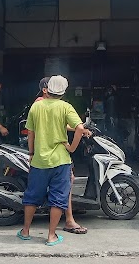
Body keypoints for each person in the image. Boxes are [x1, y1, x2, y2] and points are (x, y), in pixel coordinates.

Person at [17, 75, 85, 246]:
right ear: (63, 91)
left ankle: (25, 231)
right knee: (58, 198)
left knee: (32, 196)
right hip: (61, 160)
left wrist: (31, 152)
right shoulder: (65, 107)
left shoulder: (36, 106)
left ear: (48, 89)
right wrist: (71, 148)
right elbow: (80, 128)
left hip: (39, 160)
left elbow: (30, 133)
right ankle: (51, 236)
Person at [34, 76, 90, 235]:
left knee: (68, 181)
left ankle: (68, 218)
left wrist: (79, 129)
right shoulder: (40, 103)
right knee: (65, 182)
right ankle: (66, 221)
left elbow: (60, 123)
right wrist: (73, 145)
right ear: (46, 89)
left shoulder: (51, 105)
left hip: (53, 152)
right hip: (50, 153)